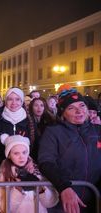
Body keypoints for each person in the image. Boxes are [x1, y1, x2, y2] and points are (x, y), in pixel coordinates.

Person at [38, 85, 101, 213]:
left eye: (82, 106)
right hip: (65, 203)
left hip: (95, 200)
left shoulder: (96, 130)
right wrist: (64, 187)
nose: (79, 111)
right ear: (63, 114)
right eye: (71, 108)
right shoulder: (53, 132)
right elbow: (46, 162)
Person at [0, 135, 58, 213]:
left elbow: (51, 202)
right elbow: (3, 208)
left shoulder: (38, 172)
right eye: (16, 153)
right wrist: (17, 190)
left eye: (24, 152)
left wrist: (41, 189)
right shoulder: (3, 176)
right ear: (9, 155)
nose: (22, 157)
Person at [0, 87, 31, 171]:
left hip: (26, 168)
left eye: (17, 99)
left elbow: (34, 145)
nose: (14, 102)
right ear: (5, 102)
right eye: (10, 99)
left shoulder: (29, 121)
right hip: (2, 168)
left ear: (22, 101)